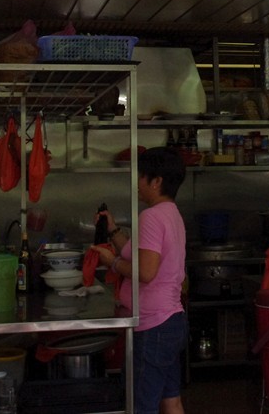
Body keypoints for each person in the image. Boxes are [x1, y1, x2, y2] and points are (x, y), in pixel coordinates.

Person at [90, 147, 187, 414]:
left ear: (156, 181)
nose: (137, 184)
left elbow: (145, 272)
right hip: (171, 322)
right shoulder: (171, 213)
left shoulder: (151, 217)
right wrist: (112, 230)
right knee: (171, 400)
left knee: (141, 406)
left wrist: (112, 263)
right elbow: (138, 253)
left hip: (153, 326)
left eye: (141, 177)